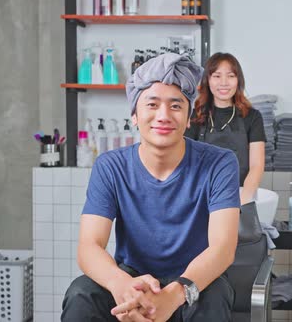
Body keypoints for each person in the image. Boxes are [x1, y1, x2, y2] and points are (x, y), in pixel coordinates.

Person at [61, 53, 240, 322]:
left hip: (193, 283)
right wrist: (121, 286)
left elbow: (223, 248)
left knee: (214, 298)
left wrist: (174, 294)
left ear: (189, 117)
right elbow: (89, 245)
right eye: (152, 104)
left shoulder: (220, 163)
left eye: (176, 106)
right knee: (81, 294)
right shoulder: (111, 166)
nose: (163, 116)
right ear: (134, 115)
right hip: (132, 278)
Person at [185, 53, 266, 205]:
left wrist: (242, 201)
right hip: (202, 196)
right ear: (208, 80)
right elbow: (187, 162)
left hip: (241, 194)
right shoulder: (195, 116)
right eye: (216, 76)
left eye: (230, 76)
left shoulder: (252, 117)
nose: (224, 83)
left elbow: (256, 166)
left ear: (238, 80)